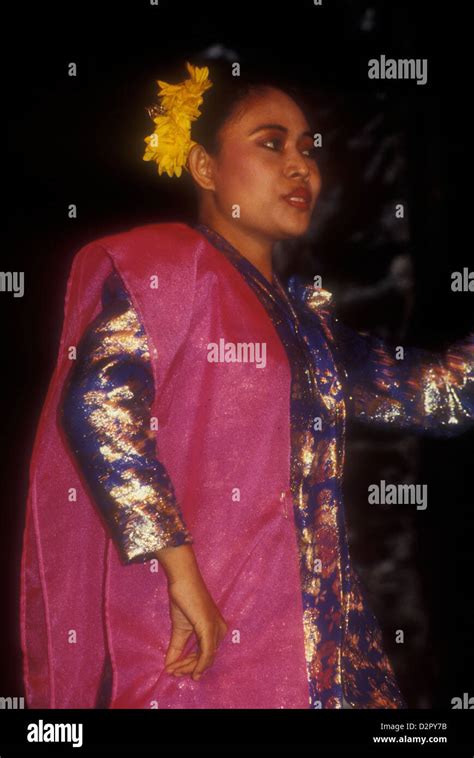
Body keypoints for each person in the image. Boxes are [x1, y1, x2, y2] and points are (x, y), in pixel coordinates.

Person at [20, 61, 474, 710]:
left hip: (320, 653)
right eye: (272, 143)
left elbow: (443, 395)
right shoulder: (169, 272)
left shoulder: (307, 329)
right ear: (205, 168)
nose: (301, 166)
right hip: (202, 640)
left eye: (308, 150)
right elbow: (98, 407)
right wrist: (182, 577)